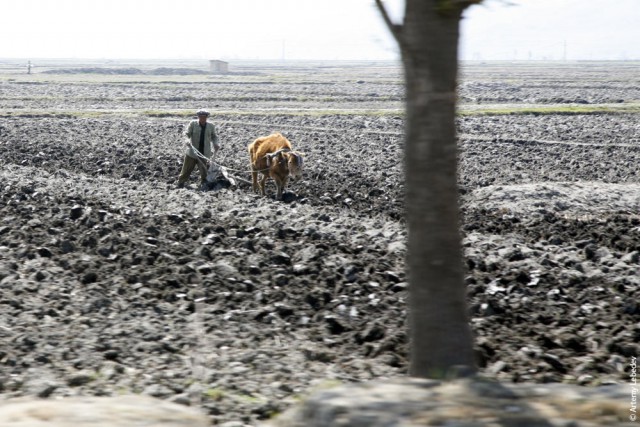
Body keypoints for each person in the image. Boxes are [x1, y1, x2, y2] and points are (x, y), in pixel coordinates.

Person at [177, 109, 220, 188]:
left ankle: (204, 184)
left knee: (204, 171)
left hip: (204, 153)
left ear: (207, 117)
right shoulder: (193, 124)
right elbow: (187, 133)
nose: (202, 119)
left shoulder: (211, 126)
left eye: (204, 117)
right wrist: (187, 140)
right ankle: (181, 183)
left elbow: (214, 136)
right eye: (201, 117)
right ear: (198, 117)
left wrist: (216, 144)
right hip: (192, 152)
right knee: (186, 170)